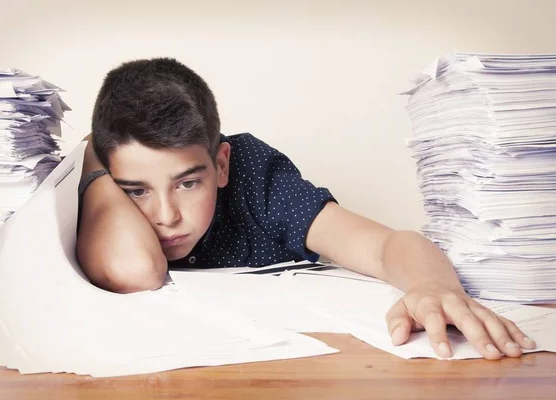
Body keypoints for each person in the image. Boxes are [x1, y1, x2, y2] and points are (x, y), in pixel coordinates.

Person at [76, 57, 536, 361]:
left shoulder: (259, 181)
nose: (167, 216)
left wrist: (430, 284)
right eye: (136, 191)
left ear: (220, 165)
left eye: (188, 183)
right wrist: (93, 167)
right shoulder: (97, 189)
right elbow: (135, 270)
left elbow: (384, 246)